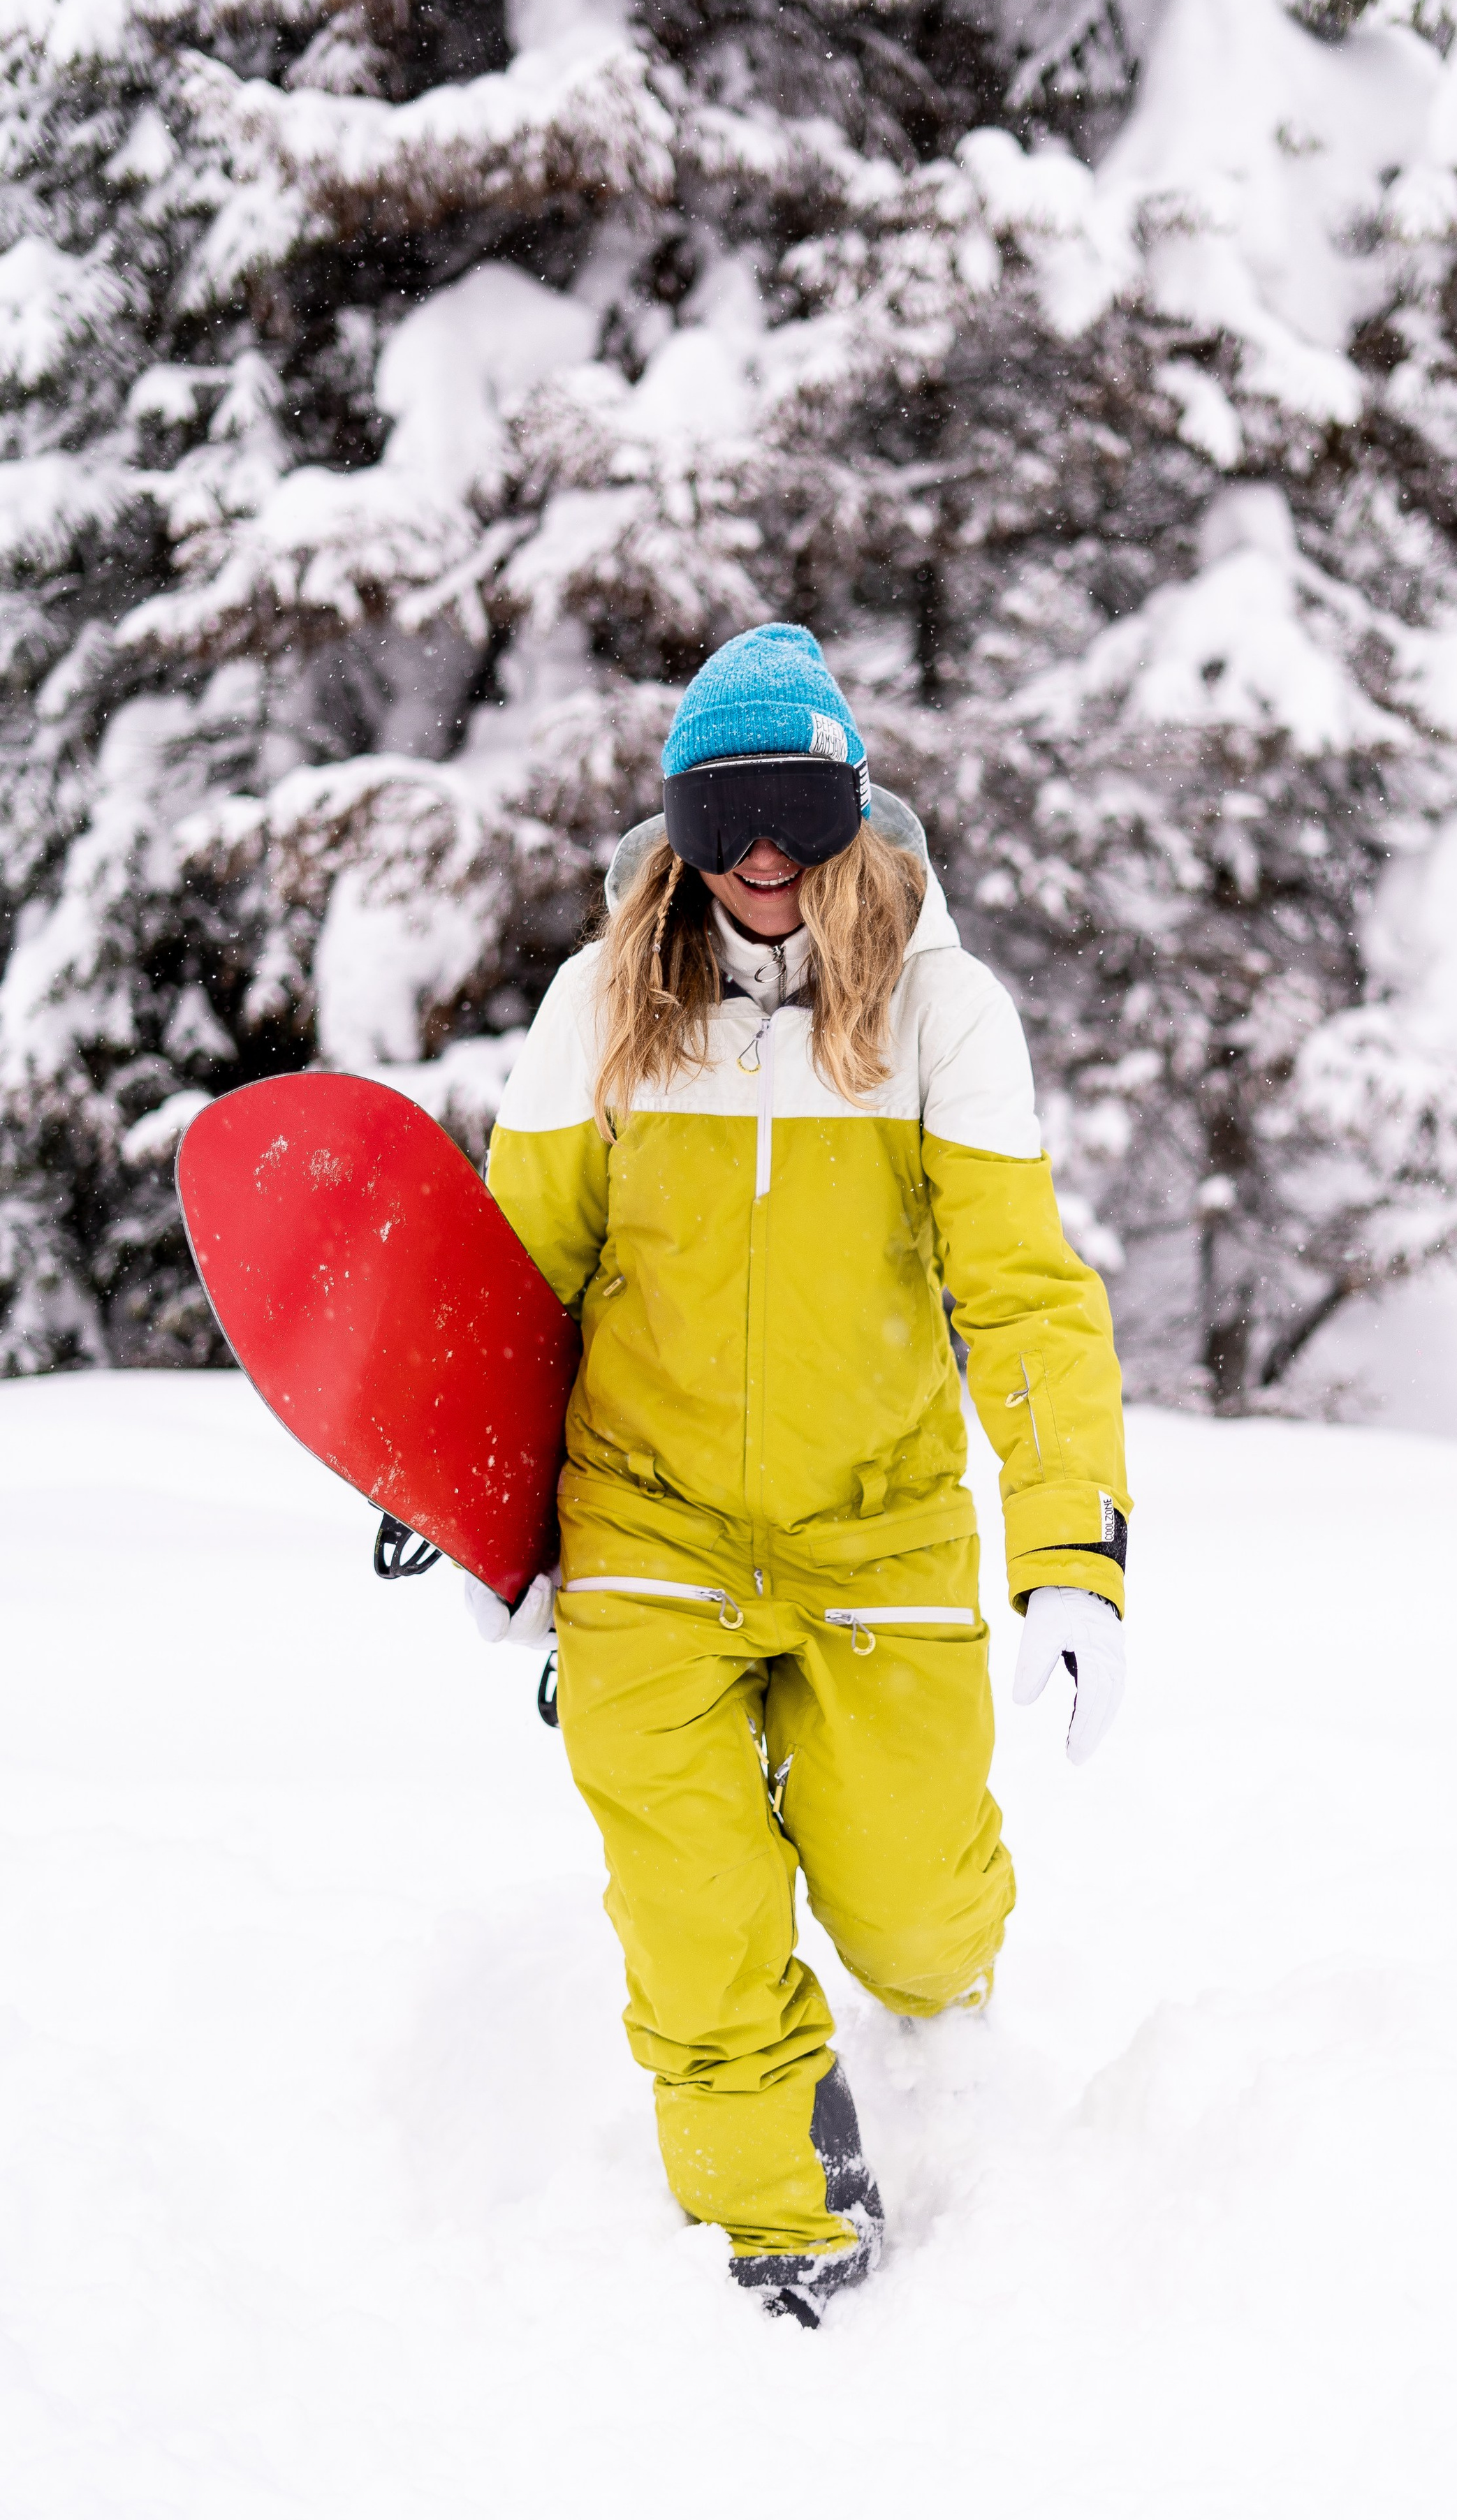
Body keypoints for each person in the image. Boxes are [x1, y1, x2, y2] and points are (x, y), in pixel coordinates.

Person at [474, 621, 1129, 2325]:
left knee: (909, 1906)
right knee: (692, 1911)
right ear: (680, 833)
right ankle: (782, 2208)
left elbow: (1024, 1296)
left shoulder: (938, 1010)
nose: (760, 855)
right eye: (722, 818)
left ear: (847, 815)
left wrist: (1071, 1553)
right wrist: (465, 1502)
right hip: (645, 1523)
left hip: (875, 1533)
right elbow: (514, 1274)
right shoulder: (600, 1008)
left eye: (795, 812)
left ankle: (926, 1989)